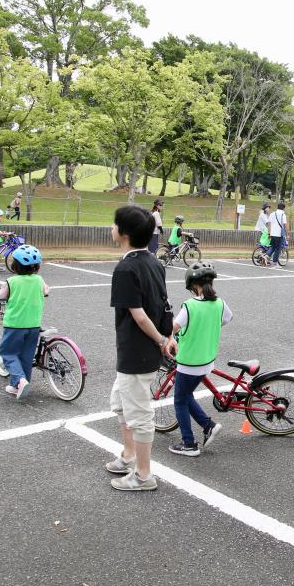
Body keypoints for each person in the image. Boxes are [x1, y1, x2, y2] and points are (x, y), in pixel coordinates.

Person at [105, 205, 171, 491]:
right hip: (141, 350)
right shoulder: (153, 261)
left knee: (140, 413)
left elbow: (140, 315)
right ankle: (129, 456)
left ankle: (144, 475)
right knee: (121, 402)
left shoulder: (125, 268)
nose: (111, 228)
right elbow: (162, 305)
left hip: (138, 350)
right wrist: (165, 339)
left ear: (124, 233)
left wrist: (160, 340)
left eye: (114, 224)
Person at [163, 262, 230, 457]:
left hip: (189, 362)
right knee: (185, 395)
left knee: (179, 400)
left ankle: (189, 444)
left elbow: (172, 329)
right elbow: (226, 319)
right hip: (207, 362)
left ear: (193, 284)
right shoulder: (220, 303)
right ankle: (208, 425)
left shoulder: (190, 306)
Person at [0, 245, 49, 401]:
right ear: (36, 266)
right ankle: (19, 386)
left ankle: (20, 380)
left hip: (15, 325)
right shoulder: (39, 280)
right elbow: (46, 291)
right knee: (26, 357)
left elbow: (1, 296)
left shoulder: (12, 281)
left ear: (15, 265)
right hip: (34, 325)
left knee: (7, 352)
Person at [268, 202, 288, 267]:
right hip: (279, 234)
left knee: (272, 247)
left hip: (272, 234)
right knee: (277, 249)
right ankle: (275, 263)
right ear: (283, 208)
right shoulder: (283, 215)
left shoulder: (272, 214)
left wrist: (269, 233)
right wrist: (287, 233)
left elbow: (269, 224)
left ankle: (265, 257)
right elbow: (285, 225)